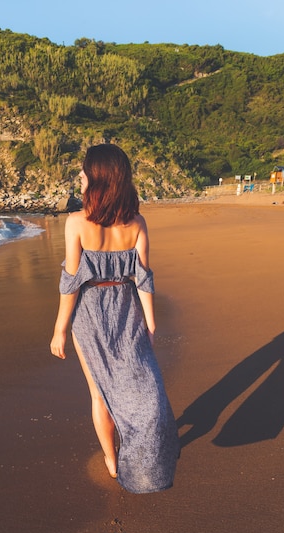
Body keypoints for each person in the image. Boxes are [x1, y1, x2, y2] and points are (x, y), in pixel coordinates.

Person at [50, 144, 179, 494]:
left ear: (98, 179)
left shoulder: (76, 222)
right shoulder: (136, 223)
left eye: (83, 173)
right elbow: (144, 277)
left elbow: (71, 284)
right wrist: (150, 323)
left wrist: (60, 329)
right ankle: (132, 449)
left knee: (99, 394)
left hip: (89, 313)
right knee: (142, 384)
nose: (79, 178)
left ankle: (112, 459)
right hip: (127, 308)